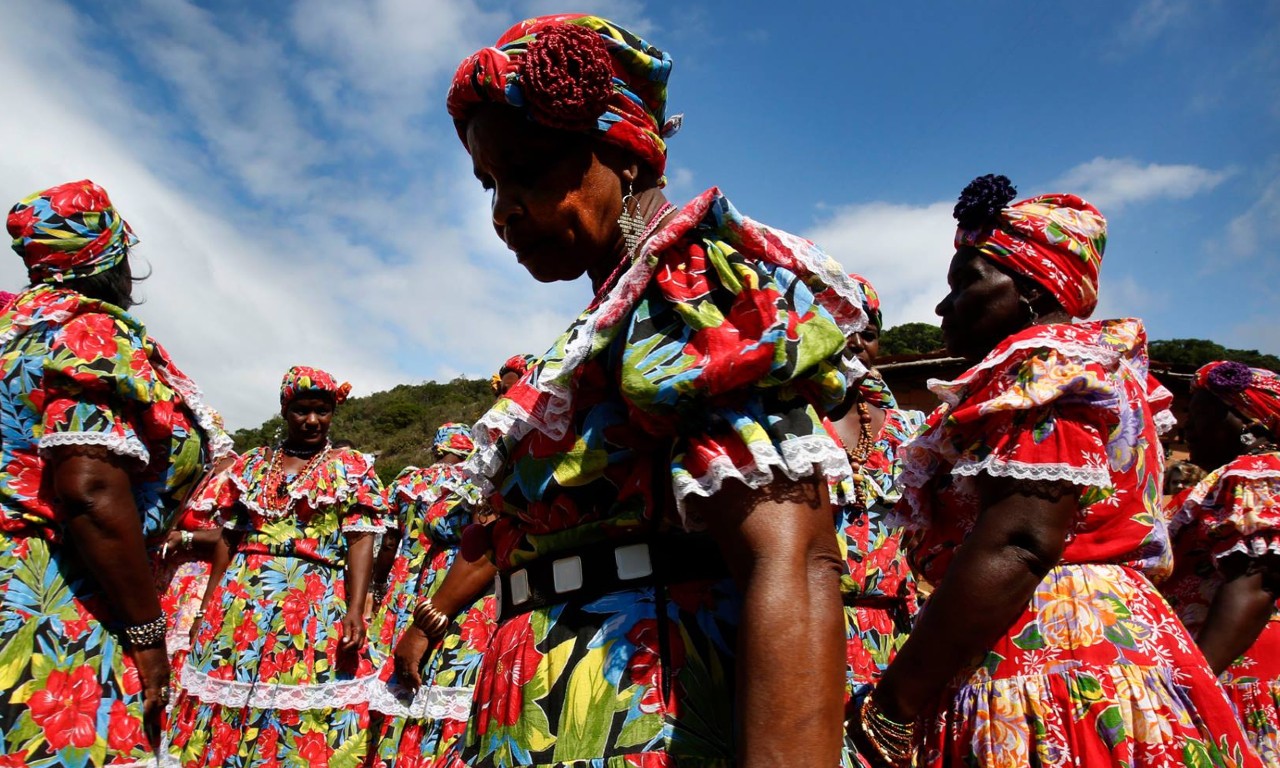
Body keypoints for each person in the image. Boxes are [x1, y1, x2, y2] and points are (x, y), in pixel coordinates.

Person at [444, 15, 868, 767]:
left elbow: (794, 559)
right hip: (553, 715)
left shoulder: (692, 293)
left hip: (644, 720)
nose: (504, 211)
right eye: (490, 184)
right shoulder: (617, 315)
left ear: (626, 155)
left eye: (531, 169)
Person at [855, 175, 1261, 767]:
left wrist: (894, 704)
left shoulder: (1044, 365)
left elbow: (1020, 540)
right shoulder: (1097, 368)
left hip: (1043, 641)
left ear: (1032, 290)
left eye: (966, 282)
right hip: (1115, 637)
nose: (944, 306)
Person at [0, 179, 233, 765]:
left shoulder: (14, 329)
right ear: (108, 260)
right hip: (52, 588)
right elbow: (89, 489)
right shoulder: (88, 331)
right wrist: (147, 638)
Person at [168, 366, 387, 766]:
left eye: (322, 411)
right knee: (229, 694)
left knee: (300, 696)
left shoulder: (351, 467)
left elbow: (360, 540)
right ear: (285, 410)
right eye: (302, 411)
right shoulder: (251, 465)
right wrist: (207, 606)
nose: (313, 421)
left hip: (312, 601)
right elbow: (228, 541)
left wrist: (356, 608)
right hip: (241, 600)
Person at [828, 274, 925, 767]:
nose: (854, 342)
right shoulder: (782, 427)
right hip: (809, 629)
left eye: (867, 331)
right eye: (839, 325)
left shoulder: (915, 432)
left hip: (896, 639)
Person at [1162, 361, 1280, 765]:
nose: (1186, 429)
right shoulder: (1232, 478)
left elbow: (1257, 583)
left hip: (1232, 670)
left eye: (1198, 417)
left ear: (1244, 420)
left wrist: (1194, 685)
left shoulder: (1253, 474)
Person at [368, 422, 492, 767]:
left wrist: (377, 587)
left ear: (437, 447)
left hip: (411, 582)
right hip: (450, 581)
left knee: (399, 678)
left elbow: (389, 541)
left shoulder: (407, 482)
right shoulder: (471, 479)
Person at [153, 448, 238, 695]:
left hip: (201, 580)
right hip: (170, 577)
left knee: (182, 659)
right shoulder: (199, 471)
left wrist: (187, 537)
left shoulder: (233, 474)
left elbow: (233, 533)